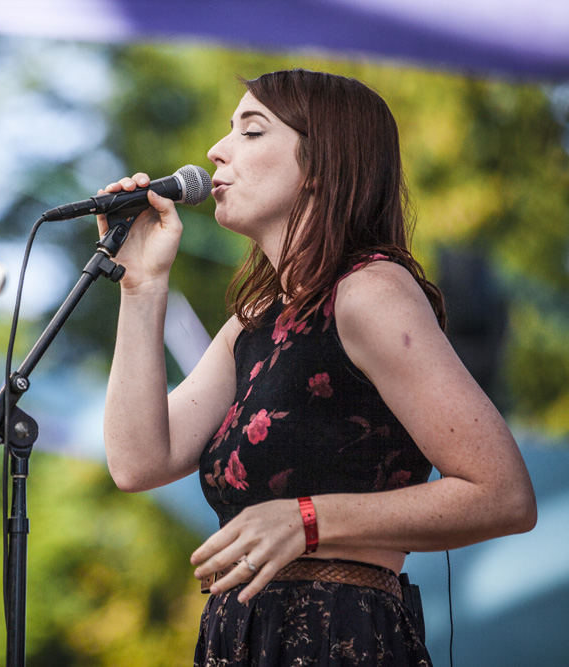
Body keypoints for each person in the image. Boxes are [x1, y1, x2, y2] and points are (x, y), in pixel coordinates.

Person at [98, 69, 536, 666]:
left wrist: (308, 519)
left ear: (323, 166)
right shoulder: (254, 324)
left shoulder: (370, 292)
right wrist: (141, 286)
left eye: (251, 131)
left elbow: (504, 494)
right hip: (244, 639)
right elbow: (137, 460)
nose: (216, 150)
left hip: (340, 637)